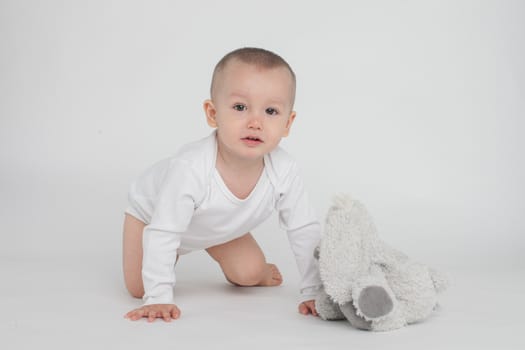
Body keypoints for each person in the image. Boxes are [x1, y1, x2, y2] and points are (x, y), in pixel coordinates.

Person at [123, 47, 321, 322]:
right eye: (240, 107)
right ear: (212, 113)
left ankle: (243, 261)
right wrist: (158, 298)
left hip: (216, 224)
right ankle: (168, 263)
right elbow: (164, 231)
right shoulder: (190, 168)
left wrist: (314, 290)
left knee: (249, 274)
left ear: (288, 123)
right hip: (153, 218)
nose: (255, 122)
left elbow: (304, 229)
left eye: (271, 111)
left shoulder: (285, 169)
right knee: (139, 287)